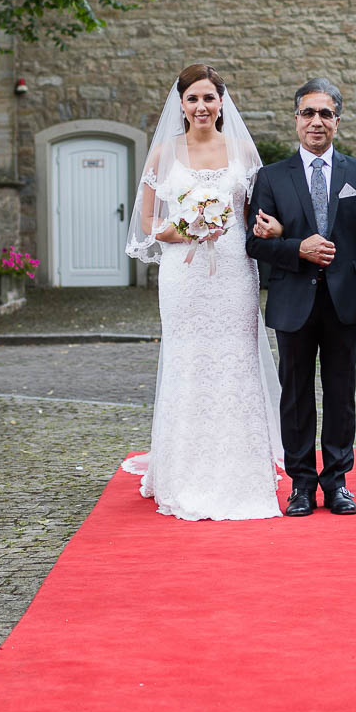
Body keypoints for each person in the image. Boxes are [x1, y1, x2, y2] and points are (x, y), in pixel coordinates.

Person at [122, 64, 285, 521]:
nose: (201, 107)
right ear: (180, 104)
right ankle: (183, 472)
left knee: (236, 358)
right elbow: (148, 224)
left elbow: (258, 216)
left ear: (221, 102)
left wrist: (271, 229)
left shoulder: (243, 154)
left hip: (234, 270)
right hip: (183, 276)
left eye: (209, 98)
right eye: (192, 99)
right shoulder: (163, 156)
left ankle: (242, 471)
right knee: (188, 360)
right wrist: (185, 227)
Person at [245, 77, 356, 516]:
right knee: (296, 395)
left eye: (325, 114)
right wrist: (297, 247)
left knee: (341, 394)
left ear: (337, 122)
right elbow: (254, 245)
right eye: (308, 113)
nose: (316, 122)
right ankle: (302, 484)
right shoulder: (269, 178)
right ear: (296, 120)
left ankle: (337, 482)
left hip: (345, 302)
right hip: (294, 300)